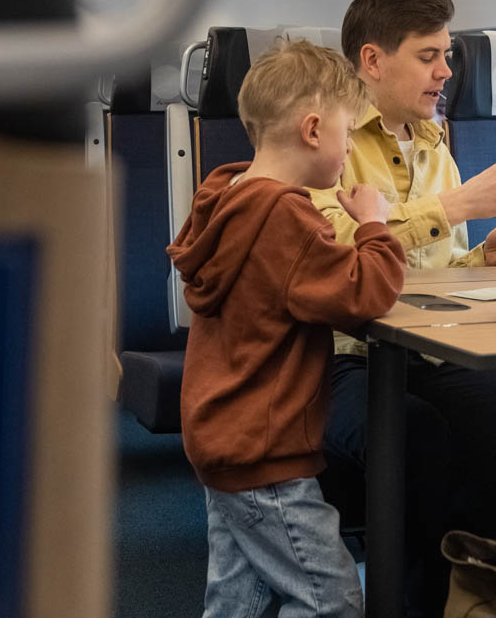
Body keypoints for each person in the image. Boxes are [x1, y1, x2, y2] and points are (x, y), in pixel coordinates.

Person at [308, 0, 496, 616]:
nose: (446, 71)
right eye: (429, 55)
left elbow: (429, 269)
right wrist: (455, 206)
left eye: (448, 55)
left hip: (423, 352)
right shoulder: (326, 137)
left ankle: (429, 570)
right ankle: (418, 594)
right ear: (373, 61)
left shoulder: (435, 143)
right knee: (417, 438)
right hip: (339, 353)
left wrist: (481, 256)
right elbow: (336, 254)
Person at [167, 40, 406, 618]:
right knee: (332, 599)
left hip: (221, 430)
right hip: (263, 447)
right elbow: (363, 293)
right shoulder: (285, 216)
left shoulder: (225, 196)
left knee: (238, 594)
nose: (351, 147)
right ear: (314, 129)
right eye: (349, 133)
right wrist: (374, 225)